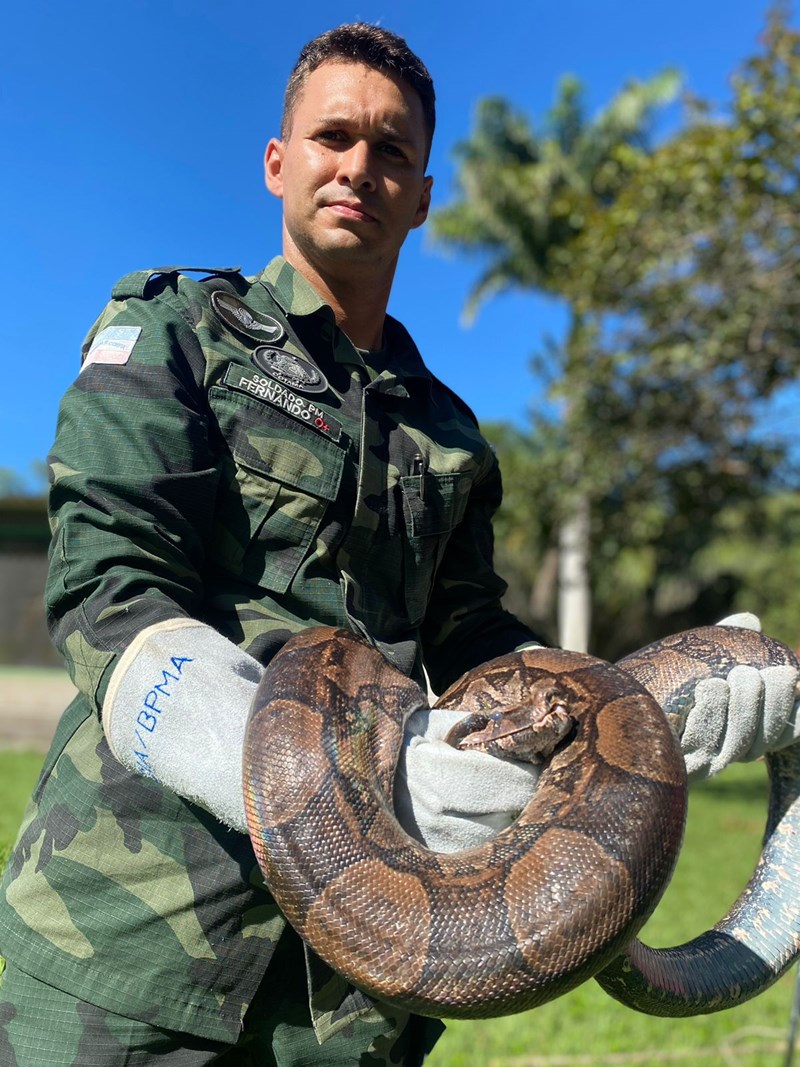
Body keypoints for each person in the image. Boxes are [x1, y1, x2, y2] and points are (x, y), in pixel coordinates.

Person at [0, 21, 798, 1067]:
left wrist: (637, 693)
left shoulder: (451, 432)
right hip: (133, 946)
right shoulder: (176, 331)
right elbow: (112, 591)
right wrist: (320, 771)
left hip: (354, 1009)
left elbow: (472, 639)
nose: (359, 167)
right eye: (333, 136)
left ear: (421, 195)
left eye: (391, 151)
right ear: (278, 161)